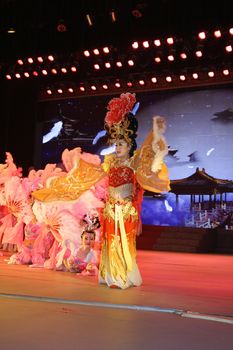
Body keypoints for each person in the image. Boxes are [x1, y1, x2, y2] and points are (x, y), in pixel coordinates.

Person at [98, 92, 170, 289]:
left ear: (130, 145)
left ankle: (123, 276)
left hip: (126, 209)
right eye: (116, 144)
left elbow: (143, 177)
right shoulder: (109, 162)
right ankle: (110, 274)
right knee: (108, 241)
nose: (117, 147)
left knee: (122, 242)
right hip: (110, 209)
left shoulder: (134, 162)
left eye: (121, 144)